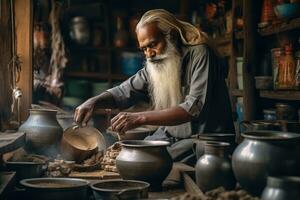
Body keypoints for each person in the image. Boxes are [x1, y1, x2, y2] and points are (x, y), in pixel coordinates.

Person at [74, 9, 235, 165]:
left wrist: (139, 118)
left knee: (144, 158)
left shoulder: (201, 54)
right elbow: (124, 91)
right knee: (132, 152)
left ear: (171, 35)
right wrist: (93, 102)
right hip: (171, 137)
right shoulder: (157, 63)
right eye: (144, 49)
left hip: (204, 141)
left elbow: (193, 108)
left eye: (153, 44)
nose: (149, 54)